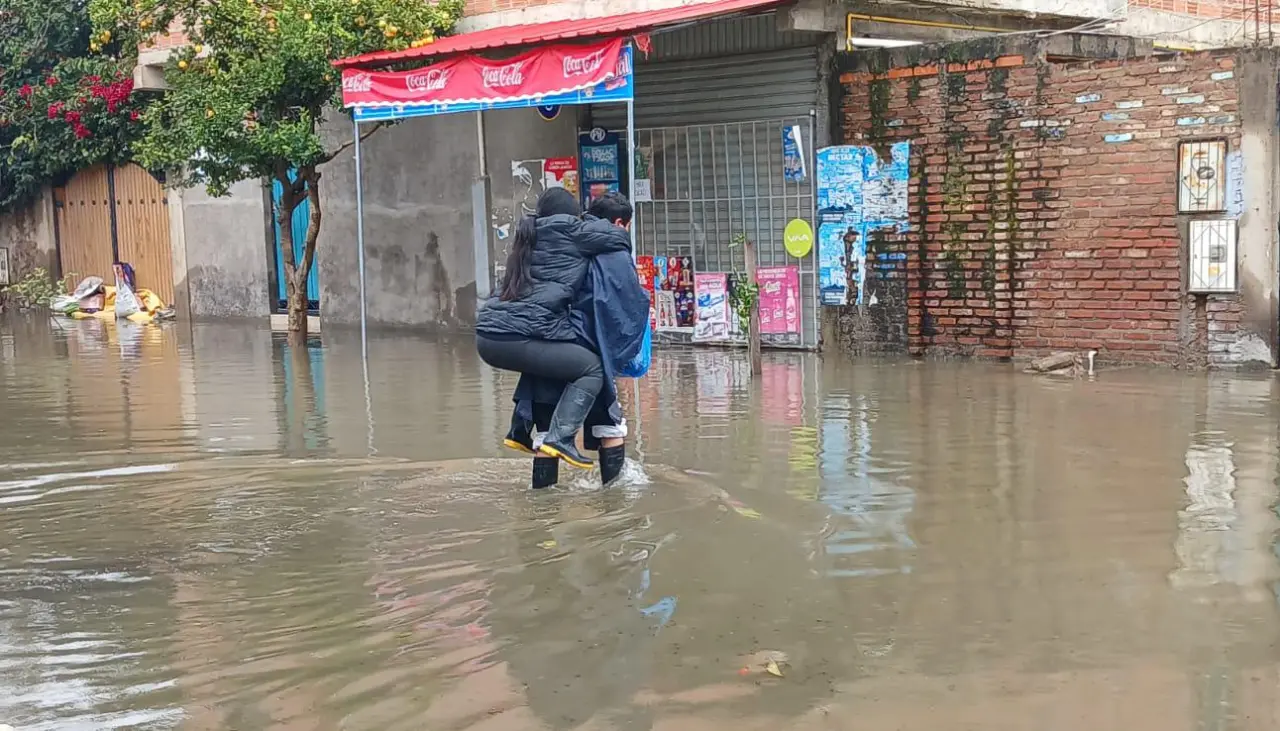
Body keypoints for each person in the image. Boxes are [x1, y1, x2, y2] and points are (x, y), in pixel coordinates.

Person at [475, 188, 632, 469]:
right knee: (591, 368)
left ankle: (521, 429)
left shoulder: (529, 235)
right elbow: (619, 235)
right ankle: (561, 438)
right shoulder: (573, 231)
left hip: (489, 335)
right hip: (520, 335)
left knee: (545, 376)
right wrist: (589, 222)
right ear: (572, 215)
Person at [508, 192, 649, 488]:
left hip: (544, 350)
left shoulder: (542, 246)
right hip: (586, 351)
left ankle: (542, 516)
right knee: (610, 428)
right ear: (620, 223)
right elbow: (625, 304)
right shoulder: (609, 248)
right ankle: (615, 508)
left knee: (546, 434)